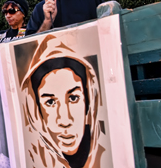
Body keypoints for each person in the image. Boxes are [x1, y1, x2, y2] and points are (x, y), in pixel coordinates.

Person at [20, 34, 104, 168]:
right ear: (36, 111)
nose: (65, 120)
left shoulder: (107, 155)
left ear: (88, 102)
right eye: (50, 102)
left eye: (73, 98)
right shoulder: (31, 160)